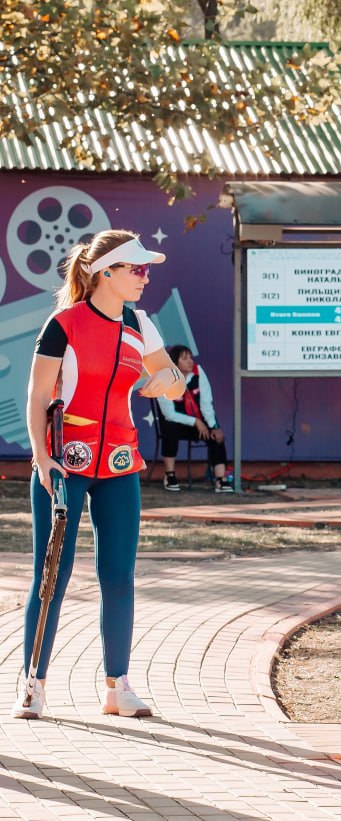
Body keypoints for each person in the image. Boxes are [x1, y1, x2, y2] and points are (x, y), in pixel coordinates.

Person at [14, 230, 186, 719]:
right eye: (135, 268)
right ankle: (34, 683)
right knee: (52, 574)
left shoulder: (139, 324)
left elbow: (172, 382)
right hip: (63, 461)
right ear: (104, 272)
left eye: (146, 269)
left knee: (118, 574)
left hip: (118, 463)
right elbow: (37, 395)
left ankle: (118, 686)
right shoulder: (63, 324)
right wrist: (42, 457)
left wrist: (164, 382)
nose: (144, 276)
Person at [156, 344, 233, 492]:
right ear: (175, 362)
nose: (190, 361)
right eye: (185, 358)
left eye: (191, 357)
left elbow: (206, 403)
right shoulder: (164, 377)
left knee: (215, 434)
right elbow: (169, 414)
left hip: (197, 424)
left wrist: (213, 426)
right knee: (170, 429)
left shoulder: (198, 372)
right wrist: (196, 422)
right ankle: (170, 475)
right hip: (176, 423)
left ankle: (220, 479)